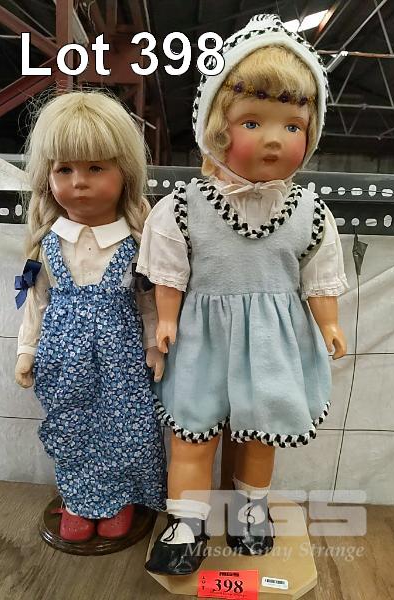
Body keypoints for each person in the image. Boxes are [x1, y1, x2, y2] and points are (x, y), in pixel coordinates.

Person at [137, 14, 348, 575]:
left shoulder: (309, 212)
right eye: (253, 121)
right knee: (192, 434)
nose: (275, 138)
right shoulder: (185, 207)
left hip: (273, 343)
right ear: (217, 128)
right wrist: (166, 318)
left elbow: (318, 274)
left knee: (259, 434)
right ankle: (186, 521)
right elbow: (169, 271)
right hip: (202, 340)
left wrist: (328, 322)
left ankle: (249, 507)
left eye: (293, 126)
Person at [15, 90, 166, 543]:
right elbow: (36, 303)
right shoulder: (48, 244)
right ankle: (78, 500)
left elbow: (148, 303)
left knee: (127, 429)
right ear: (48, 177)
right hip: (63, 361)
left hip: (122, 359)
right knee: (71, 426)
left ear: (125, 175)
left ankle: (119, 498)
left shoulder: (135, 243)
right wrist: (26, 352)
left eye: (96, 168)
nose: (79, 182)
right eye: (65, 170)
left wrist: (153, 346)